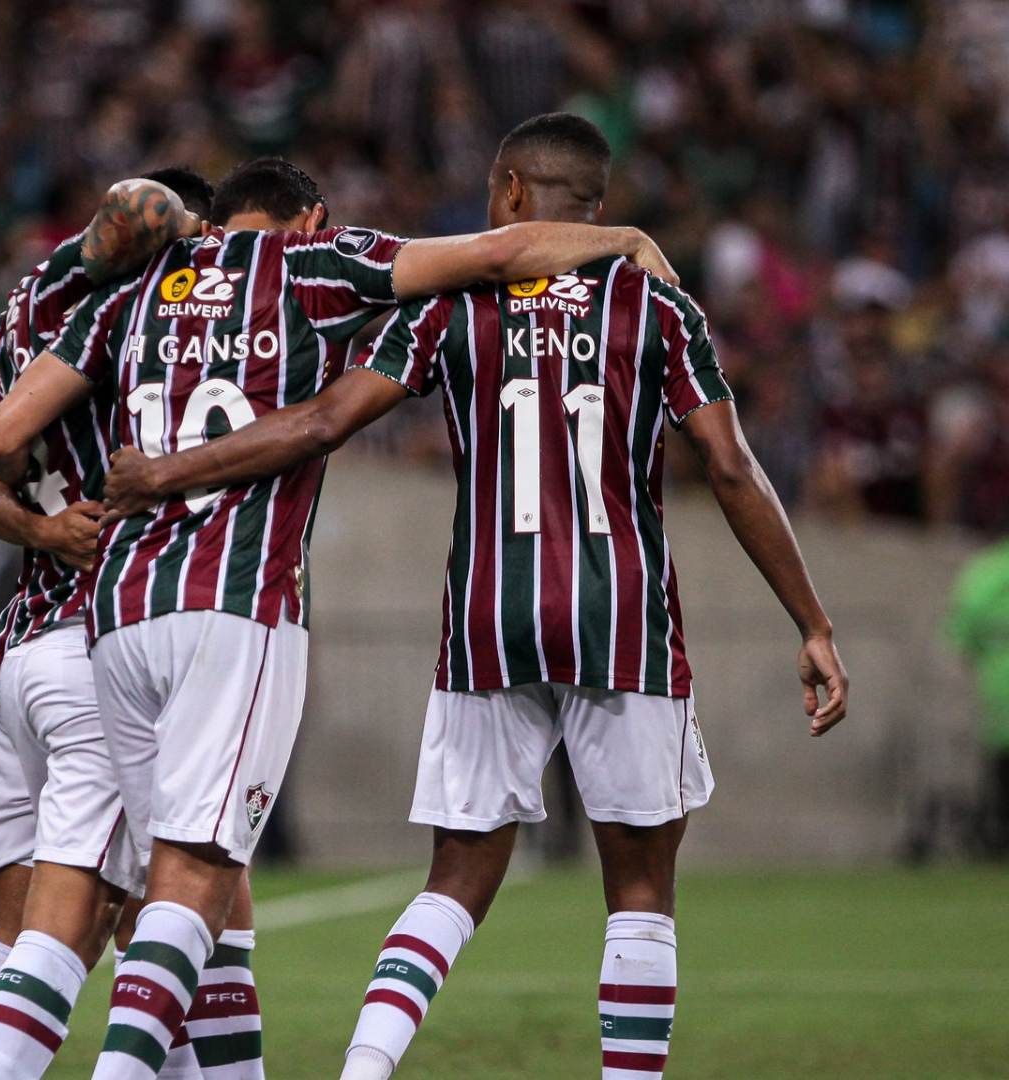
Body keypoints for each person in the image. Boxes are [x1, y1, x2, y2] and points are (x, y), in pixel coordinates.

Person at [99, 115, 850, 1080]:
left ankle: (362, 1072)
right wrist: (813, 623)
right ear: (596, 207)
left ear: (506, 195)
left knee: (453, 884)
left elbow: (326, 419)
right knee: (639, 891)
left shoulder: (452, 304)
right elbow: (733, 467)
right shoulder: (657, 304)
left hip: (488, 624)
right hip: (621, 619)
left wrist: (171, 470)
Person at [0, 153, 676, 1080]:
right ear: (305, 218)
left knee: (187, 897)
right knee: (190, 888)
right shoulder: (310, 265)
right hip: (233, 604)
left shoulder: (128, 294)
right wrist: (619, 238)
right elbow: (498, 257)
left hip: (114, 612)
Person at [0, 167, 271, 1080]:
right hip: (96, 648)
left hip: (13, 661)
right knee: (108, 913)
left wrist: (40, 527)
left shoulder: (29, 305)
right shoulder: (136, 317)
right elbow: (140, 207)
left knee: (35, 926)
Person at [949, 538, 1009, 857]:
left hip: (998, 688)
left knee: (1003, 773)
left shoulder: (983, 572)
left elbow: (962, 636)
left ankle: (999, 844)